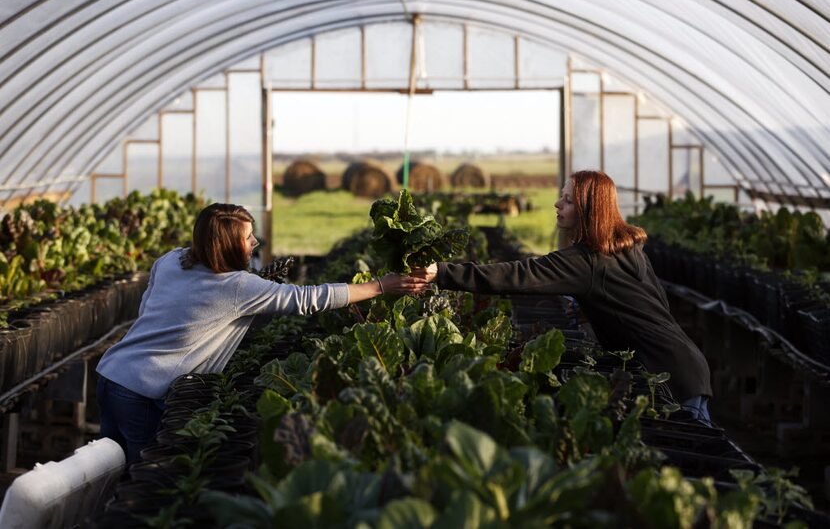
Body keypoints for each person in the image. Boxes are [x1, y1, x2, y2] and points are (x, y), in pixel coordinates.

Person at [96, 203, 429, 462]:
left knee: (107, 474)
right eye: (247, 237)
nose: (255, 242)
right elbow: (309, 299)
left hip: (112, 375)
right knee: (141, 480)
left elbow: (147, 305)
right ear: (226, 244)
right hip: (141, 392)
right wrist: (380, 286)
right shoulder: (237, 286)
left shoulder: (172, 259)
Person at [412, 170, 713, 423]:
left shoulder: (587, 260)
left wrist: (440, 271)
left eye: (568, 200)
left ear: (588, 209)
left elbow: (518, 275)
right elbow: (653, 304)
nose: (557, 204)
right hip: (684, 365)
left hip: (666, 377)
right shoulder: (627, 250)